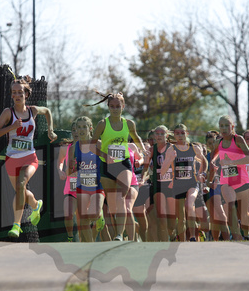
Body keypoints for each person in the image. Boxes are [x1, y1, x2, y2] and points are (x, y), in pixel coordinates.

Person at [0, 76, 57, 238]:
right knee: (21, 191)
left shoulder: (32, 111)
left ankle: (16, 225)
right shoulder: (8, 113)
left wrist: (50, 130)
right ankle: (35, 205)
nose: (17, 95)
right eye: (14, 92)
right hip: (12, 159)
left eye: (20, 92)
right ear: (11, 95)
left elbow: (47, 111)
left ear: (26, 94)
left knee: (21, 185)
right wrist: (11, 127)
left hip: (29, 158)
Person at [87, 91, 146, 241]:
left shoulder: (128, 123)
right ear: (108, 107)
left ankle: (120, 234)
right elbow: (92, 145)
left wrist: (143, 150)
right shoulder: (102, 124)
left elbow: (136, 137)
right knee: (113, 207)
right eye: (112, 106)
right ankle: (117, 235)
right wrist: (104, 155)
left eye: (118, 106)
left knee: (121, 196)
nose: (115, 109)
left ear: (123, 107)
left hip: (123, 163)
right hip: (107, 166)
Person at [159, 124, 207, 241]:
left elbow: (204, 161)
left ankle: (192, 237)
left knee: (189, 205)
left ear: (187, 133)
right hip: (178, 185)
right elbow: (162, 172)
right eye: (177, 133)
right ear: (174, 135)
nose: (180, 136)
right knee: (181, 218)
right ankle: (182, 240)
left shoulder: (194, 148)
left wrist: (203, 173)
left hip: (192, 183)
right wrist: (170, 159)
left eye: (182, 133)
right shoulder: (171, 150)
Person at [211, 115, 249, 240]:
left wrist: (230, 163)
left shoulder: (238, 139)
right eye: (221, 126)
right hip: (226, 181)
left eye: (226, 125)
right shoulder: (219, 142)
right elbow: (213, 156)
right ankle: (237, 237)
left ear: (232, 127)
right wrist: (212, 163)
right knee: (230, 207)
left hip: (242, 180)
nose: (223, 128)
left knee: (244, 213)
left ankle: (246, 234)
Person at [68, 116, 105, 242]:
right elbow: (69, 170)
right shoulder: (74, 148)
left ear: (90, 128)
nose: (81, 130)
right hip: (82, 186)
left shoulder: (98, 144)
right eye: (79, 127)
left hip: (97, 186)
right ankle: (90, 247)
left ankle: (99, 216)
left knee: (93, 214)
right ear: (76, 130)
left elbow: (109, 162)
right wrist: (71, 169)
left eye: (84, 127)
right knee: (83, 219)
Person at [142, 125, 175, 241]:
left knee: (171, 222)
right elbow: (146, 168)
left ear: (166, 135)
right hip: (158, 186)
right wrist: (143, 178)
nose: (159, 136)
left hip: (171, 186)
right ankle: (165, 244)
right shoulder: (152, 150)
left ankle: (173, 233)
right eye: (157, 134)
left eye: (162, 134)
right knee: (162, 217)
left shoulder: (173, 148)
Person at [205, 130, 230, 241]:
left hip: (224, 188)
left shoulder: (224, 155)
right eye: (209, 143)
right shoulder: (206, 157)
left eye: (214, 143)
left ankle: (228, 242)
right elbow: (203, 177)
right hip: (211, 189)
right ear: (207, 145)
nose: (212, 145)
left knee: (223, 217)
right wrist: (208, 182)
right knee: (215, 219)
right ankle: (215, 243)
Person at [57, 122, 79, 242]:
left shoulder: (90, 146)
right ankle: (70, 237)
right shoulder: (66, 147)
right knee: (68, 214)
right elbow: (60, 161)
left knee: (87, 216)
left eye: (79, 129)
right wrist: (60, 171)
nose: (76, 132)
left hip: (87, 185)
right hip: (71, 185)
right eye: (74, 130)